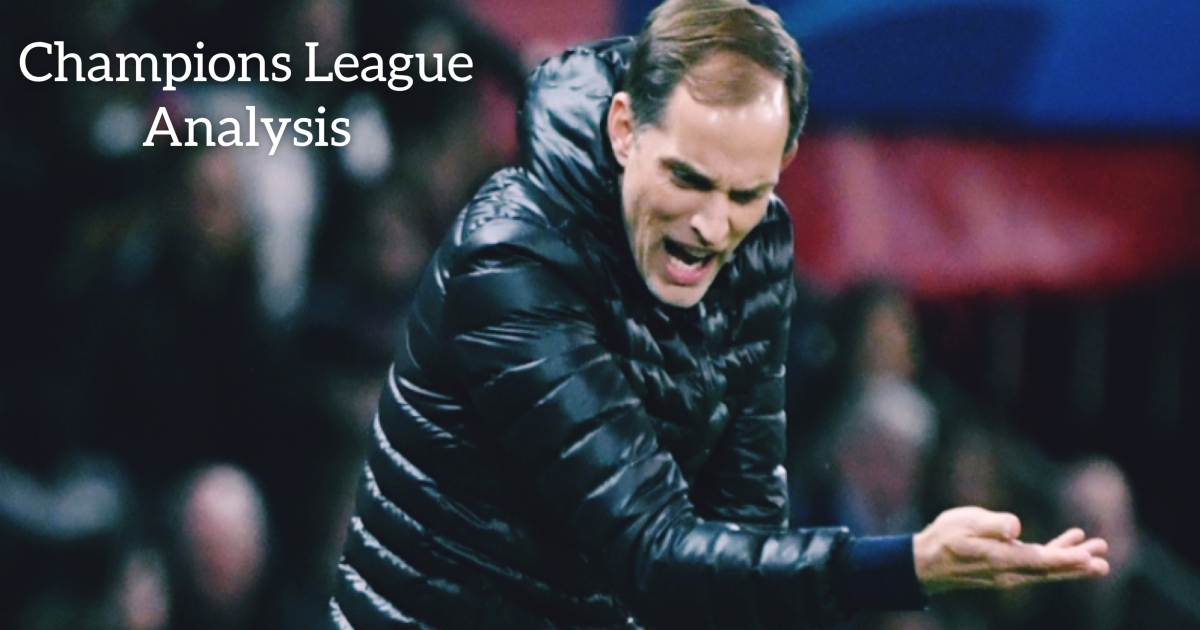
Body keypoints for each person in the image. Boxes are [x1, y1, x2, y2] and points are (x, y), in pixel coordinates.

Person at [330, 1, 1109, 628]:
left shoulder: (756, 247)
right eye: (689, 179)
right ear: (625, 129)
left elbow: (742, 533)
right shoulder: (511, 262)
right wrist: (902, 565)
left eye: (745, 191)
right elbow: (655, 550)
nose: (711, 226)